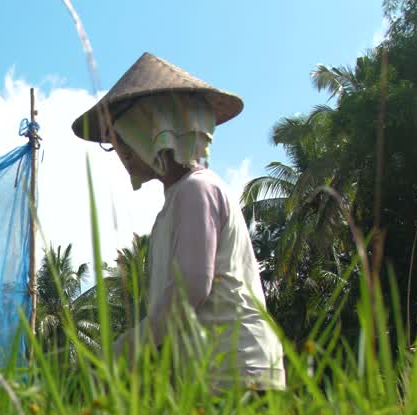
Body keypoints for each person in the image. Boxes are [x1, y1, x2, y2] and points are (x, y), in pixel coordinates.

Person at [71, 52, 286, 392]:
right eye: (115, 144)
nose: (122, 152)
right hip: (209, 373)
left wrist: (122, 351)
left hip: (235, 374)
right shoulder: (174, 204)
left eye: (123, 138)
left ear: (155, 131)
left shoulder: (197, 191)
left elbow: (190, 289)